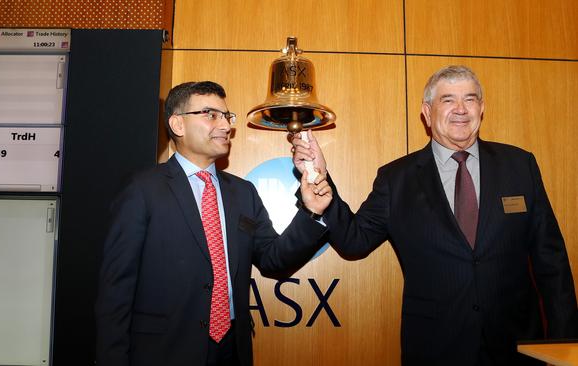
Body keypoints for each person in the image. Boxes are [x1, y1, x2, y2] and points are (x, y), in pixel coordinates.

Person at [292, 65, 578, 365]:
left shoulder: (520, 165)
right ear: (427, 113)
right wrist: (319, 178)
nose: (461, 109)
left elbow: (552, 262)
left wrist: (566, 351)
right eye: (448, 100)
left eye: (470, 99)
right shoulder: (396, 179)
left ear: (482, 108)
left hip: (518, 349)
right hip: (436, 349)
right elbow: (354, 240)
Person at [95, 81, 332, 366]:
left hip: (231, 349)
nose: (225, 126)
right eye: (211, 114)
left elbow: (273, 259)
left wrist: (311, 212)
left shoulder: (243, 192)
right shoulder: (143, 189)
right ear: (178, 125)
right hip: (163, 351)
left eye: (227, 116)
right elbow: (115, 289)